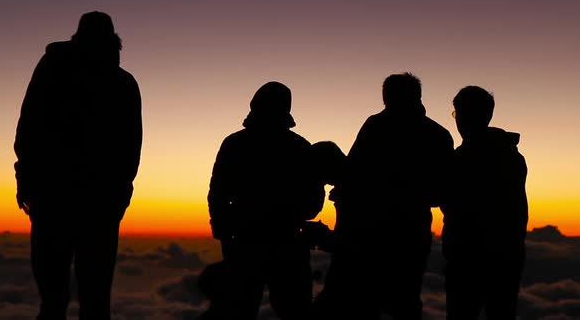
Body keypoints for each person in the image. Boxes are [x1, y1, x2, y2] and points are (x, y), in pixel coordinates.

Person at [14, 11, 142, 320]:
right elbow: (130, 148)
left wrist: (25, 179)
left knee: (56, 294)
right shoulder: (122, 82)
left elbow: (29, 128)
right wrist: (120, 193)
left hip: (55, 196)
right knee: (93, 296)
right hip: (90, 201)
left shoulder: (53, 70)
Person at [327, 72, 454, 319]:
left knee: (369, 302)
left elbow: (353, 174)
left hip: (371, 233)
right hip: (410, 233)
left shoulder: (375, 126)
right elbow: (441, 193)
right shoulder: (437, 134)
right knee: (404, 301)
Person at [207, 81, 325, 320]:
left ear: (254, 106)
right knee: (295, 310)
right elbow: (313, 203)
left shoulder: (235, 144)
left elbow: (218, 192)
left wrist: (223, 229)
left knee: (240, 309)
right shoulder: (300, 147)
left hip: (245, 241)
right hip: (287, 241)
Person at [441, 85, 528, 320]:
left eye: (458, 114)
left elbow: (445, 197)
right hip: (507, 259)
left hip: (467, 262)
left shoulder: (463, 159)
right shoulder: (512, 156)